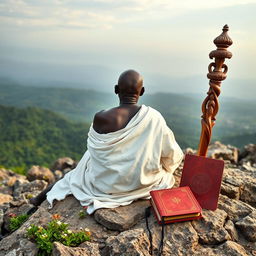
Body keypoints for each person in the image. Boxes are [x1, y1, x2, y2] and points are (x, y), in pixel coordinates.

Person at [31, 70, 184, 214]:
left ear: (116, 89)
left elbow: (96, 152)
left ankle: (37, 200)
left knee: (81, 166)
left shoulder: (101, 117)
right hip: (142, 183)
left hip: (104, 185)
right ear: (142, 91)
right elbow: (172, 156)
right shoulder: (154, 118)